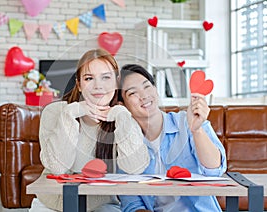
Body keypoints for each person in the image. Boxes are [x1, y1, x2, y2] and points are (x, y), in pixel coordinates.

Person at [29, 50, 150, 212]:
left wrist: (122, 118)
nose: (98, 85)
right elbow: (58, 167)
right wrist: (70, 115)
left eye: (106, 77)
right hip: (50, 204)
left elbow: (135, 168)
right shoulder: (55, 111)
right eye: (89, 78)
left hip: (101, 205)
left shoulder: (123, 115)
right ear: (79, 84)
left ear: (116, 82)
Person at [118, 64, 227, 212]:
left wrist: (196, 130)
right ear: (122, 105)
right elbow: (132, 204)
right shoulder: (126, 147)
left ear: (156, 90)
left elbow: (215, 170)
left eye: (147, 86)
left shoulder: (186, 121)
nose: (144, 96)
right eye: (133, 93)